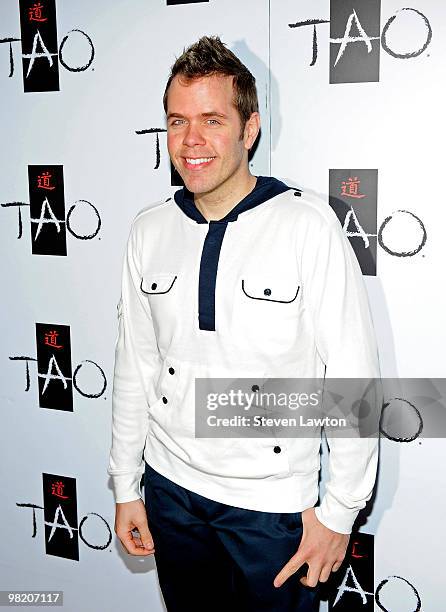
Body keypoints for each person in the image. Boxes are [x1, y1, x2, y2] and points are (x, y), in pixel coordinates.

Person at [108, 35, 381, 612]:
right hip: (170, 493)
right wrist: (127, 485)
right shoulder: (148, 230)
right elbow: (135, 365)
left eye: (212, 119)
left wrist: (339, 512)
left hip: (272, 512)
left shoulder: (308, 226)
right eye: (177, 121)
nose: (191, 141)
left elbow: (353, 381)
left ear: (249, 128)